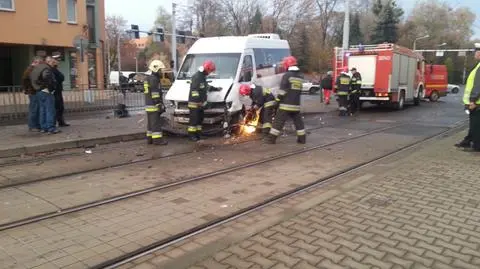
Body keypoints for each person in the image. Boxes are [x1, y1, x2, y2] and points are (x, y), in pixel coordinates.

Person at [264, 56, 306, 144]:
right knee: (298, 122)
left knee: (278, 121)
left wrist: (277, 101)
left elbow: (282, 91)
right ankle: (302, 139)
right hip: (296, 105)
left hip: (285, 105)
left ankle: (271, 139)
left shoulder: (287, 75)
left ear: (287, 65)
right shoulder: (300, 76)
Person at [187, 60, 221, 141]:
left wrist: (215, 88)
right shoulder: (197, 77)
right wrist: (198, 102)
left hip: (200, 104)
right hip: (194, 104)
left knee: (199, 120)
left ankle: (198, 134)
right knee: (194, 121)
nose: (210, 73)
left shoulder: (202, 76)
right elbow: (194, 91)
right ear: (207, 69)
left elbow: (205, 86)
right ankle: (191, 136)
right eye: (210, 71)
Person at [29, 56, 59, 134]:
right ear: (48, 62)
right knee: (50, 110)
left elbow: (33, 79)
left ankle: (44, 127)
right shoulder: (46, 68)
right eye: (52, 62)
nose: (53, 64)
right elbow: (47, 78)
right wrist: (51, 88)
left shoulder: (36, 68)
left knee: (42, 110)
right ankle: (51, 128)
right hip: (46, 91)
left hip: (38, 91)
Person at [460, 43, 480, 152]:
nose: (474, 54)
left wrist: (472, 101)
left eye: (476, 52)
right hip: (477, 102)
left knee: (476, 126)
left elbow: (478, 85)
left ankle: (477, 146)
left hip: (477, 103)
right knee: (475, 125)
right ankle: (470, 141)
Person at [144, 60, 168, 145]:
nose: (161, 71)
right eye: (160, 70)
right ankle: (157, 140)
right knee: (155, 123)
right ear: (156, 69)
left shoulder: (148, 78)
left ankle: (149, 139)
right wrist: (159, 104)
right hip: (153, 105)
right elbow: (155, 93)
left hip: (148, 104)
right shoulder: (154, 79)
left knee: (150, 124)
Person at [22, 56, 43, 132]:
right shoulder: (30, 70)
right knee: (34, 109)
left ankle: (37, 125)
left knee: (37, 109)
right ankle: (33, 125)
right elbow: (25, 80)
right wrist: (27, 89)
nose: (40, 64)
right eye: (39, 62)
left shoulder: (35, 69)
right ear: (34, 62)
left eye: (41, 63)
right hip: (33, 92)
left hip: (36, 91)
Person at [51, 56, 69, 127]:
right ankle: (55, 122)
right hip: (55, 91)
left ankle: (61, 121)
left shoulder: (55, 69)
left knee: (60, 107)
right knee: (57, 107)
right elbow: (61, 77)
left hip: (58, 90)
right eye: (56, 61)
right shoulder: (52, 70)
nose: (58, 62)